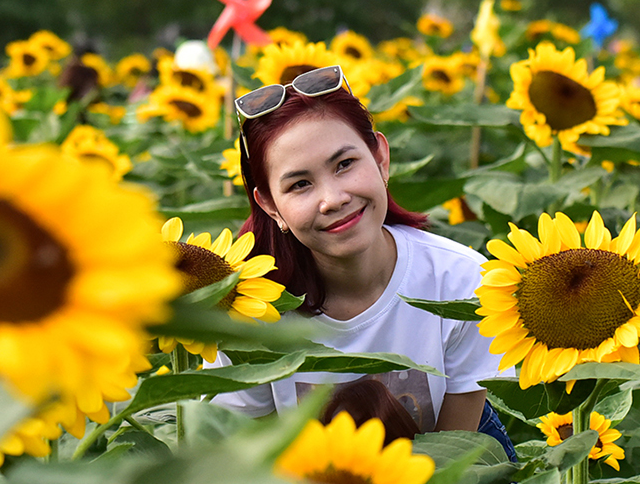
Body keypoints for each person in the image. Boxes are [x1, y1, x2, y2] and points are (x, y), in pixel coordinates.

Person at [211, 65, 518, 459]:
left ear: (381, 158)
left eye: (344, 165)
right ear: (270, 206)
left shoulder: (460, 282)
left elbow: (455, 459)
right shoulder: (250, 312)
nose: (333, 198)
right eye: (300, 184)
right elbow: (250, 460)